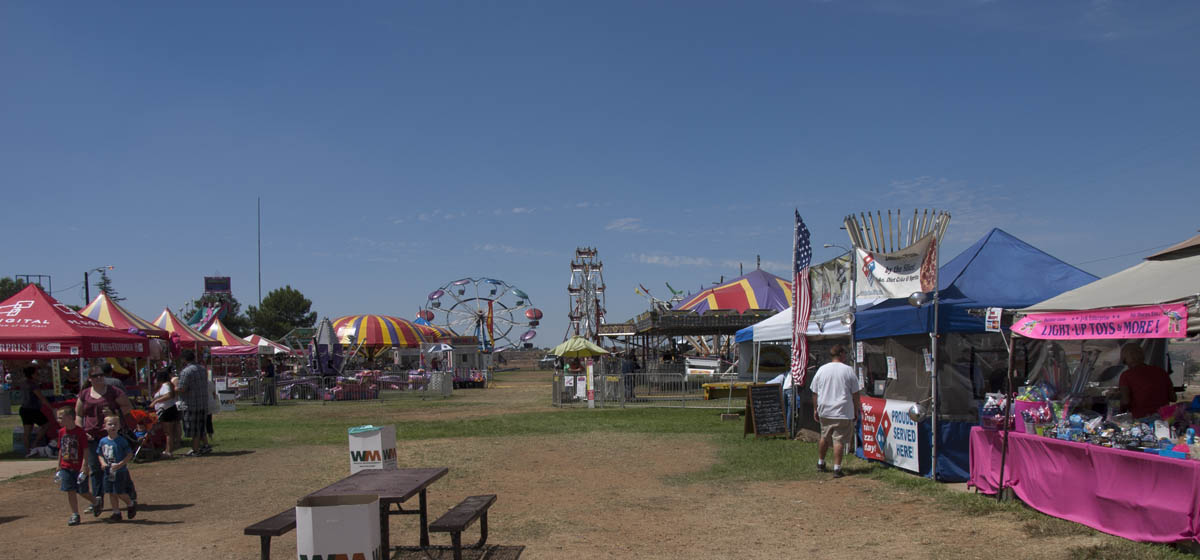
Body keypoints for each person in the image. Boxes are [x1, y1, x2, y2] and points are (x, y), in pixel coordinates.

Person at [76, 366, 135, 514]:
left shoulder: (113, 391)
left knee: (118, 467)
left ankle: (130, 495)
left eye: (101, 375)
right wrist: (81, 432)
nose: (99, 378)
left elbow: (127, 406)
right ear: (90, 379)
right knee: (96, 468)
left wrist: (113, 413)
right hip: (91, 436)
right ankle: (98, 500)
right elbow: (79, 414)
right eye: (95, 376)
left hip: (111, 435)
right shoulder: (84, 394)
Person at [810, 344, 861, 478]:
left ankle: (821, 462)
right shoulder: (848, 370)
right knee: (839, 440)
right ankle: (837, 468)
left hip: (825, 409)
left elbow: (814, 392)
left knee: (824, 436)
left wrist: (815, 409)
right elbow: (856, 393)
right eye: (845, 353)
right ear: (841, 354)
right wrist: (856, 410)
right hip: (842, 411)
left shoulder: (822, 370)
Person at [55, 407, 94, 526]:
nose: (58, 420)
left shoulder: (80, 432)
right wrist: (58, 465)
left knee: (82, 491)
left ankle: (95, 501)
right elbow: (61, 449)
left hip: (78, 467)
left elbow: (86, 450)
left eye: (61, 417)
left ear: (70, 417)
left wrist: (85, 465)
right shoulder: (61, 432)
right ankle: (75, 514)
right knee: (70, 490)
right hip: (66, 466)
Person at [1118, 343, 1174, 418]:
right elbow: (1173, 397)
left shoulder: (1126, 375)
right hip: (1164, 418)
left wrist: (1118, 413)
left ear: (1126, 359)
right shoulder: (1161, 372)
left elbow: (1126, 401)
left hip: (1141, 420)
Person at [97, 415, 136, 522]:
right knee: (111, 492)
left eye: (115, 424)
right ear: (104, 426)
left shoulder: (121, 441)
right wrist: (102, 463)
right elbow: (99, 453)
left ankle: (130, 503)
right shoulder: (103, 441)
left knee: (119, 492)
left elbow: (129, 455)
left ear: (119, 426)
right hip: (108, 470)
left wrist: (121, 464)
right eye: (110, 424)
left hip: (119, 471)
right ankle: (116, 512)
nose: (113, 426)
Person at [176, 350, 211, 456]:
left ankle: (195, 449)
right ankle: (204, 446)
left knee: (193, 428)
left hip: (191, 403)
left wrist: (173, 388)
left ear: (184, 359)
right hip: (202, 402)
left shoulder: (186, 372)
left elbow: (182, 388)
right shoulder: (202, 369)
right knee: (201, 427)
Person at [19, 365, 52, 457]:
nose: (38, 375)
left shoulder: (23, 382)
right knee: (46, 425)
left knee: (27, 431)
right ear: (32, 375)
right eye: (36, 373)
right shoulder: (33, 385)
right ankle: (34, 444)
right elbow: (41, 398)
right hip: (32, 409)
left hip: (24, 408)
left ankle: (28, 450)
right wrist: (51, 408)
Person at [149, 369, 180, 458]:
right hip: (166, 410)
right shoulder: (164, 385)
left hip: (167, 410)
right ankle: (168, 449)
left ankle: (168, 451)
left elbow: (169, 395)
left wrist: (156, 401)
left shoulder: (166, 385)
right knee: (168, 432)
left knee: (168, 432)